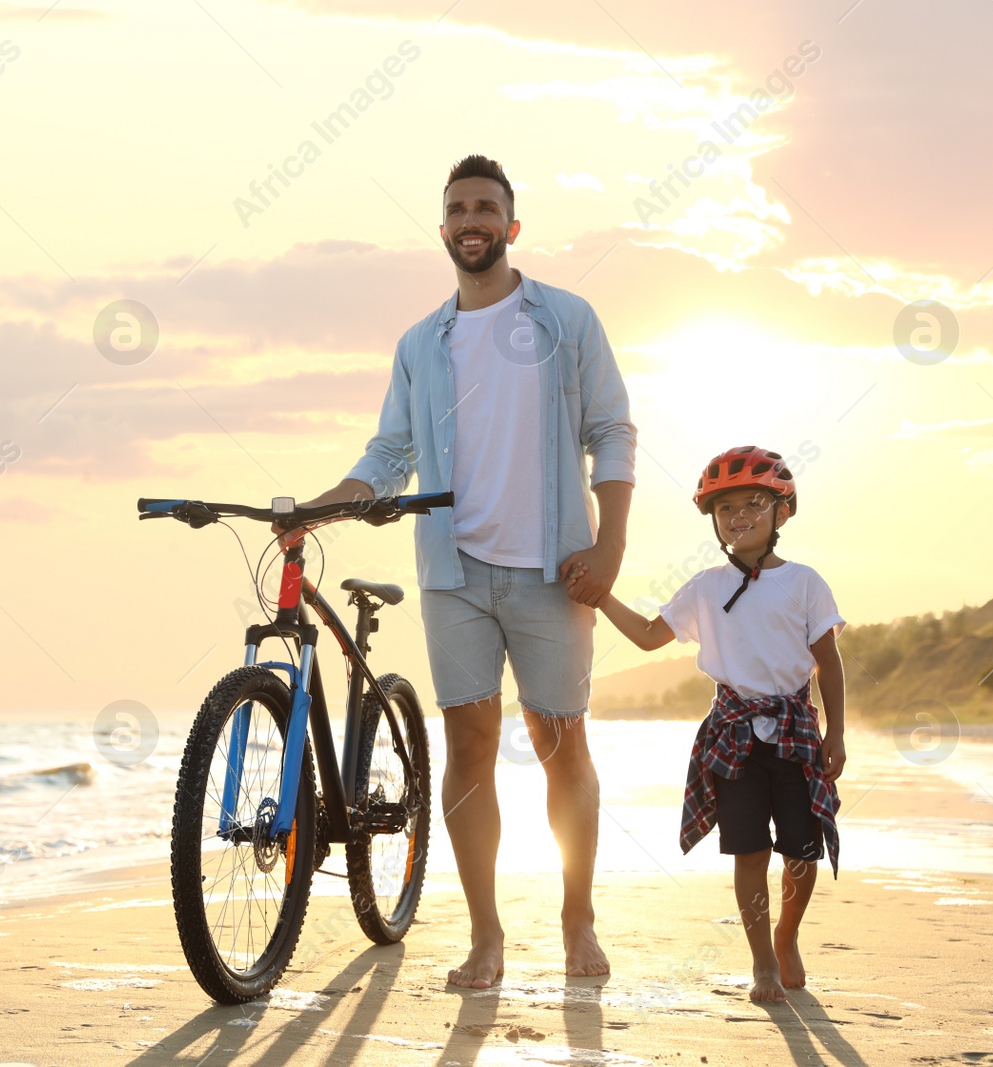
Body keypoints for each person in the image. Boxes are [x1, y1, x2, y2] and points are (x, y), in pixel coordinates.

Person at [284, 154, 638, 988]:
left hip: (554, 572)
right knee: (470, 747)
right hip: (455, 576)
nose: (470, 219)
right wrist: (325, 503)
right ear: (443, 229)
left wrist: (611, 542)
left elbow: (612, 430)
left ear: (511, 227)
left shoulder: (566, 320)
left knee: (561, 746)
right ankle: (487, 936)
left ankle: (577, 917)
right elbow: (391, 452)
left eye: (486, 207)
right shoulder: (421, 343)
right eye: (456, 208)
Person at [568, 445, 846, 1003]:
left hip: (794, 732)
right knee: (748, 850)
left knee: (801, 849)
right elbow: (650, 635)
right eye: (726, 509)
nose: (739, 516)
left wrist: (834, 734)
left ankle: (787, 934)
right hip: (732, 735)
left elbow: (829, 662)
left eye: (754, 503)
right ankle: (762, 959)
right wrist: (601, 598)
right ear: (713, 520)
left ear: (781, 512)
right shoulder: (705, 587)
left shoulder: (807, 582)